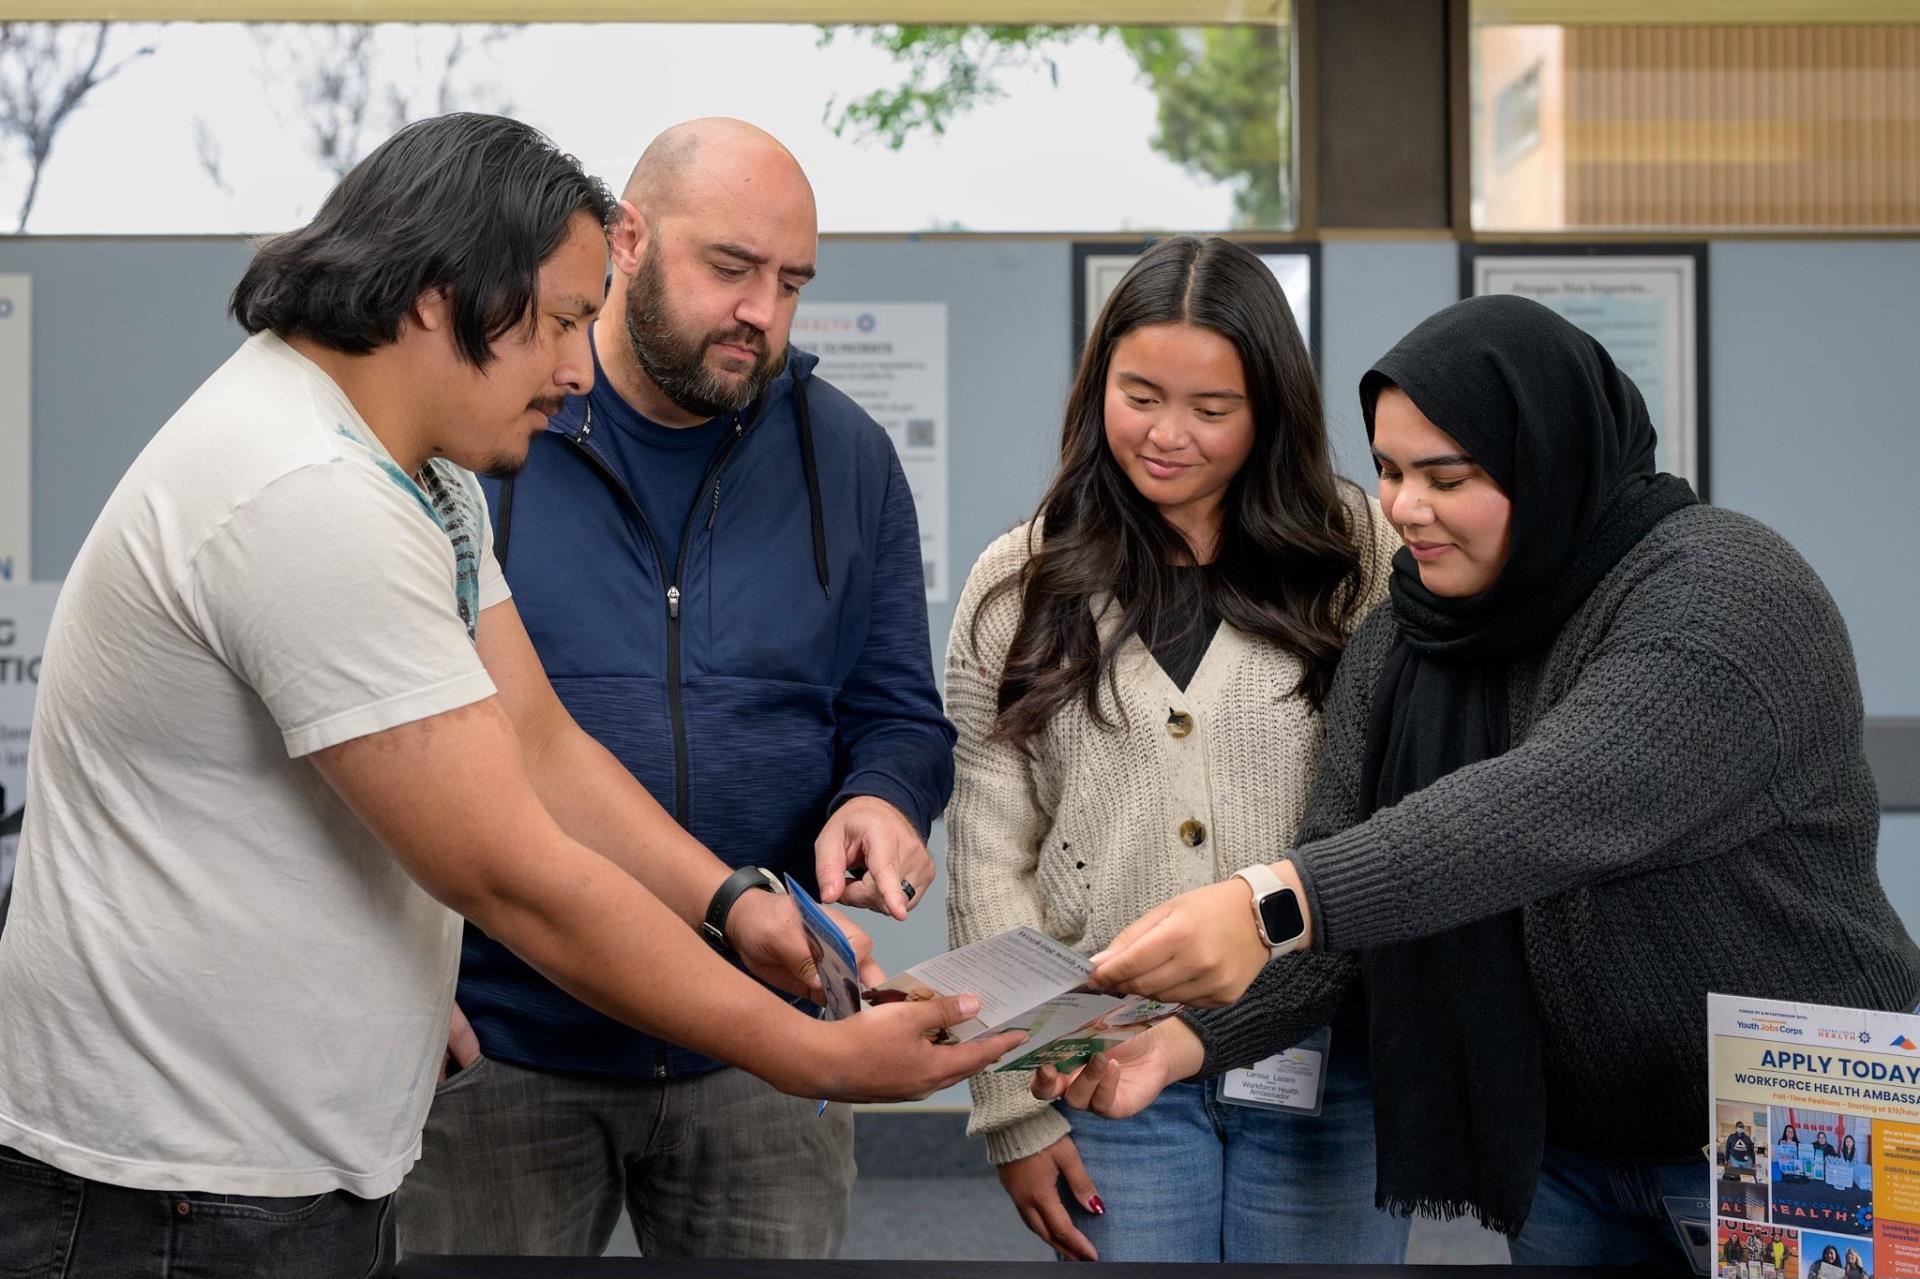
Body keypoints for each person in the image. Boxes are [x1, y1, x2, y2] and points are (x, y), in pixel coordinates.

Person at [0, 113, 1017, 1277]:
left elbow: (540, 743)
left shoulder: (426, 475)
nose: (579, 370)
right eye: (565, 322)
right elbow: (509, 871)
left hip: (288, 1142)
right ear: (443, 296)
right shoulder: (307, 489)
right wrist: (819, 1056)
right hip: (179, 1177)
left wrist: (733, 901)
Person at [1034, 294, 1920, 1265]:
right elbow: (1350, 927)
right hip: (1573, 1140)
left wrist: (1269, 902)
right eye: (1390, 470)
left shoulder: (1726, 591)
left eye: (1445, 476)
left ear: (1546, 459)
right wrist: (1183, 1043)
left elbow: (1548, 807)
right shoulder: (1411, 636)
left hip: (1798, 1113)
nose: (1404, 507)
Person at [399, 118, 955, 1260]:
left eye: (791, 282)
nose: (764, 311)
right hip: (506, 1043)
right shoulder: (491, 435)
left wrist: (885, 798)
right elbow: (412, 744)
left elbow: (898, 713)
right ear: (628, 240)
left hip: (762, 1040)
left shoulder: (844, 458)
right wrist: (396, 967)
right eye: (732, 268)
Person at [944, 236, 1402, 1263]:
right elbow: (987, 857)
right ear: (1097, 381)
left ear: (1270, 408)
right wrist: (1015, 1106)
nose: (1168, 436)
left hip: (1329, 1059)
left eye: (1212, 409)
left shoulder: (1358, 556)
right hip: (1102, 1062)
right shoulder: (1020, 583)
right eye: (1139, 394)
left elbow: (1398, 820)